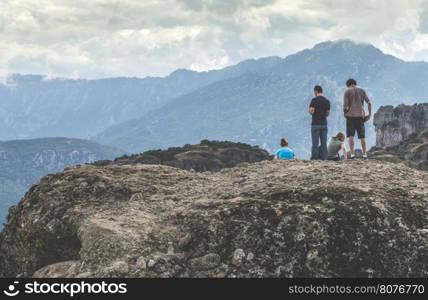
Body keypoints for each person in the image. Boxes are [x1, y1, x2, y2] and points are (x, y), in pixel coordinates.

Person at [343, 79, 372, 160]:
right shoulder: (362, 91)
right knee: (362, 137)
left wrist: (344, 114)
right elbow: (369, 103)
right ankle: (365, 155)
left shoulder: (347, 92)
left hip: (350, 117)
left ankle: (352, 155)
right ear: (355, 83)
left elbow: (346, 106)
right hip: (360, 116)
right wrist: (369, 114)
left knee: (351, 136)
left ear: (348, 85)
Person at [309, 85, 330, 160]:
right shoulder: (327, 101)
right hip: (324, 124)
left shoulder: (314, 100)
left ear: (316, 91)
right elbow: (328, 113)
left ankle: (315, 158)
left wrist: (310, 112)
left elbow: (311, 111)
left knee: (315, 143)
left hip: (315, 124)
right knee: (324, 143)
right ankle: (324, 158)